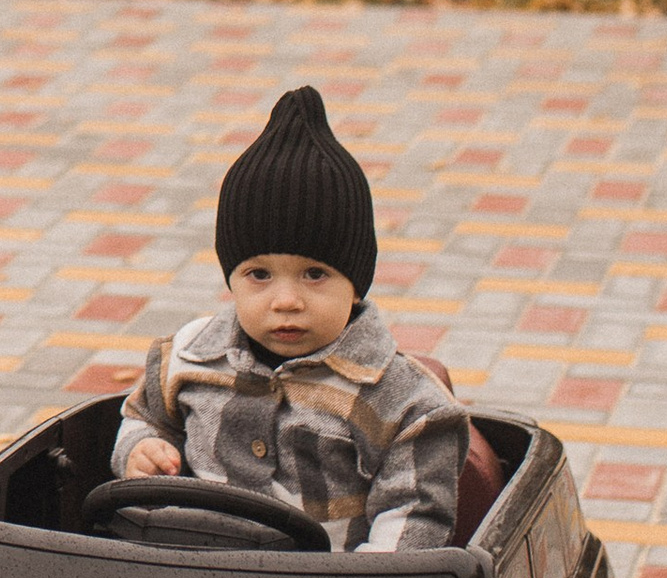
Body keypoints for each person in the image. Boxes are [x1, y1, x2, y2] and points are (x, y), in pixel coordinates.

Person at [115, 83, 463, 550]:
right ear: (231, 278)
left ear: (355, 281)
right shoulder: (187, 359)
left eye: (314, 274)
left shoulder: (405, 406)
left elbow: (411, 520)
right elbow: (142, 418)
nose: (286, 300)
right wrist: (139, 450)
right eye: (259, 274)